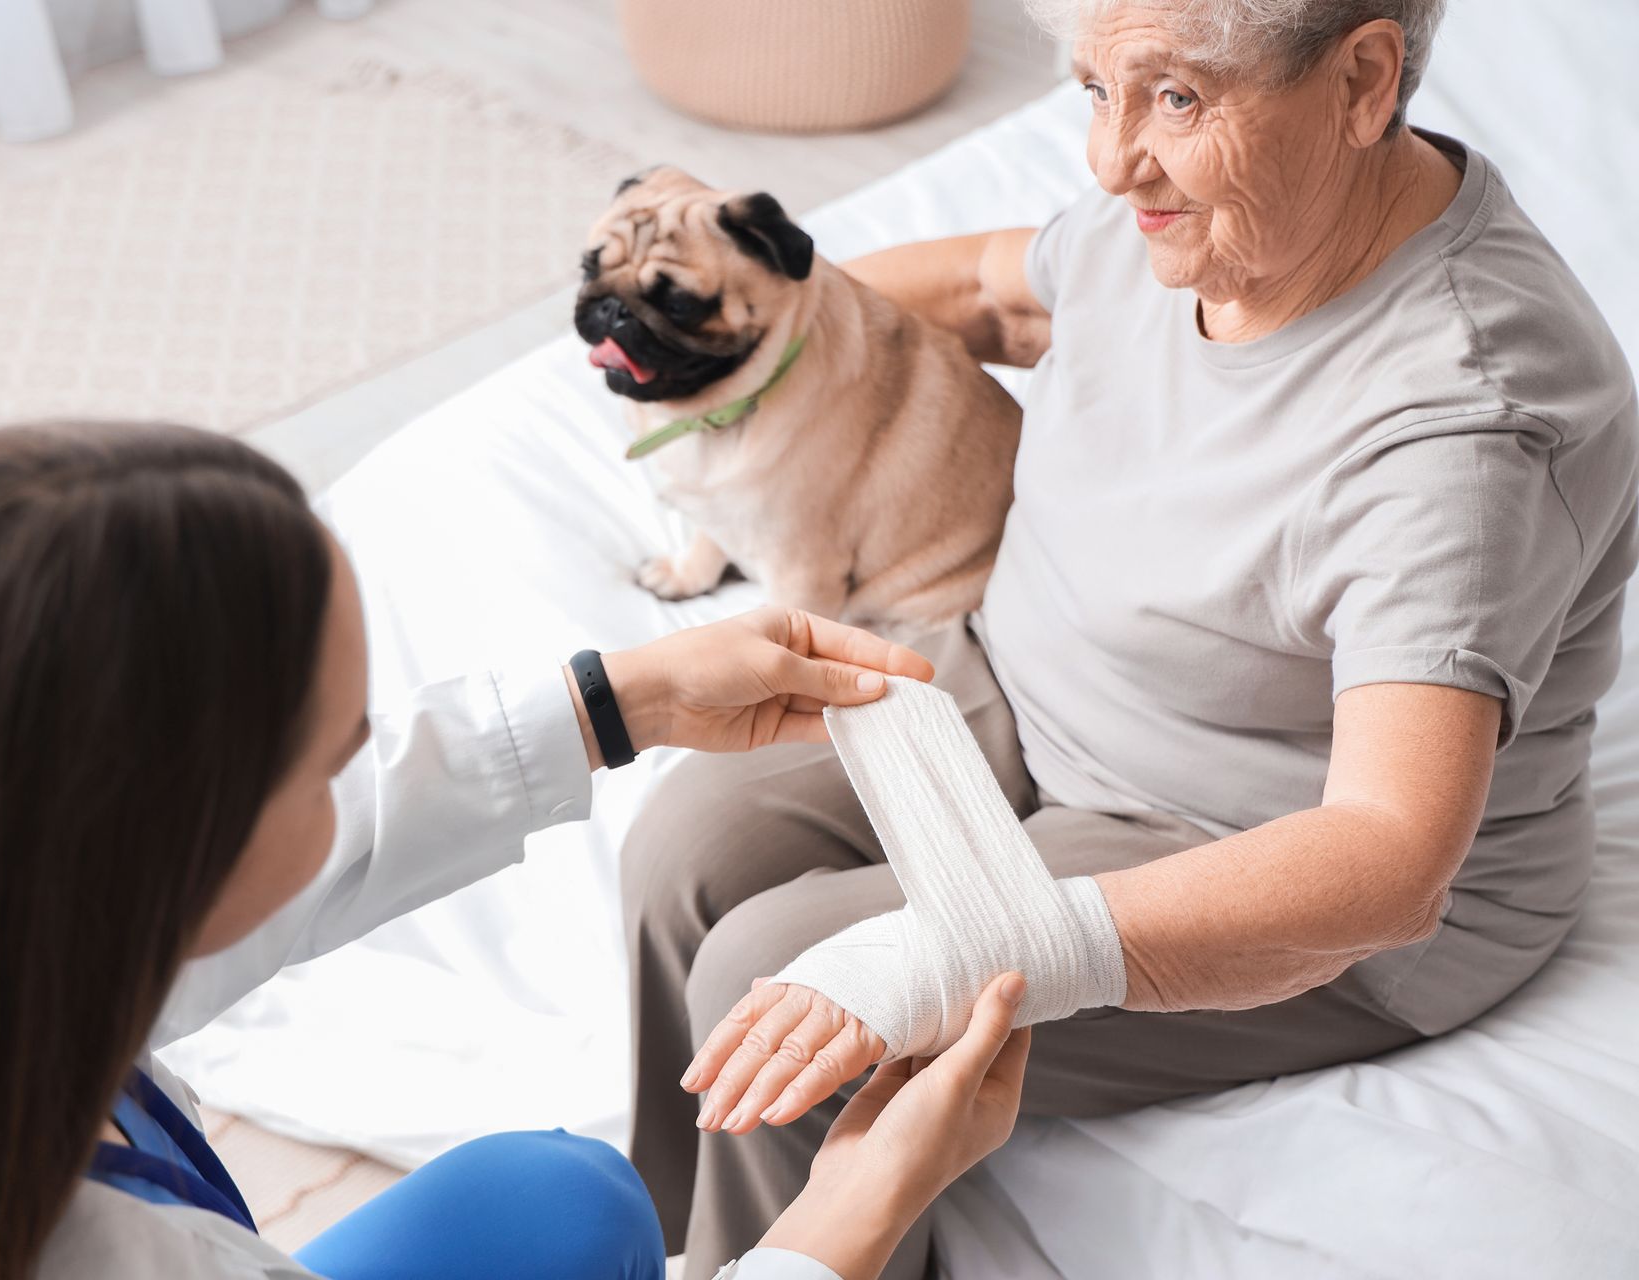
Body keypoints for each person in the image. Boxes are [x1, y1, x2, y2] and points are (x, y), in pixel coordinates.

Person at [622, 0, 1639, 1273]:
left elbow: (1388, 856)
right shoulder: (1202, 212)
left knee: (775, 975)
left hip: (1251, 840)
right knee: (685, 843)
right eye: (1094, 89)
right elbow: (996, 294)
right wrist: (765, 350)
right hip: (1018, 675)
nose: (1111, 161)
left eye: (1174, 98)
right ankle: (673, 1245)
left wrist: (962, 948)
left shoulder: (1467, 427)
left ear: (1364, 78)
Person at [0, 420, 1032, 1280]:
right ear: (161, 860)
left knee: (557, 1199)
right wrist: (848, 1221)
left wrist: (607, 705)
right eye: (338, 756)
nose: (364, 770)